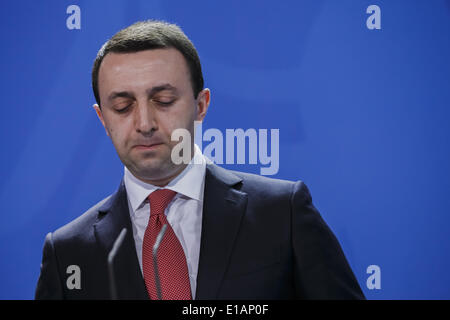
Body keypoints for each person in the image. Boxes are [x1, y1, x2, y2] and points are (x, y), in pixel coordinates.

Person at [35, 20, 365, 300]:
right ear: (103, 120)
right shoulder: (67, 252)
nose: (145, 123)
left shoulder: (284, 213)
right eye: (122, 107)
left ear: (201, 105)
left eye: (163, 100)